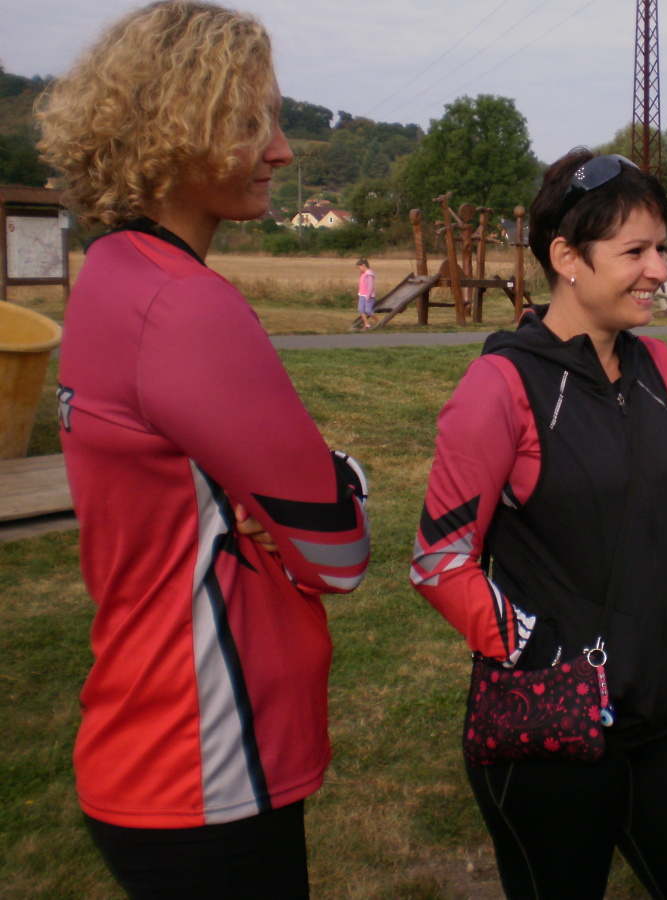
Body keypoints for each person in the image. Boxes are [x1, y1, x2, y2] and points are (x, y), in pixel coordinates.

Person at [36, 3, 370, 897]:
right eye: (251, 121)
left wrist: (267, 501)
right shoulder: (186, 306)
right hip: (209, 757)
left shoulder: (109, 273)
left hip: (144, 732)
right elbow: (338, 554)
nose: (282, 152)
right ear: (174, 127)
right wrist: (344, 479)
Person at [411, 148, 667, 899]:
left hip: (666, 711)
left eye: (662, 248)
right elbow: (438, 562)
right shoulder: (500, 385)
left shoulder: (659, 368)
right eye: (635, 252)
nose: (659, 270)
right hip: (551, 730)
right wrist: (540, 650)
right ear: (566, 258)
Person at [355, 258, 378, 330]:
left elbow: (370, 286)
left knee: (368, 310)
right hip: (361, 294)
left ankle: (377, 321)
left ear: (363, 265)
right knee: (360, 309)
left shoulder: (369, 274)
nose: (359, 269)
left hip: (368, 295)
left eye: (359, 267)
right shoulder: (363, 273)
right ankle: (366, 324)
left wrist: (368, 296)